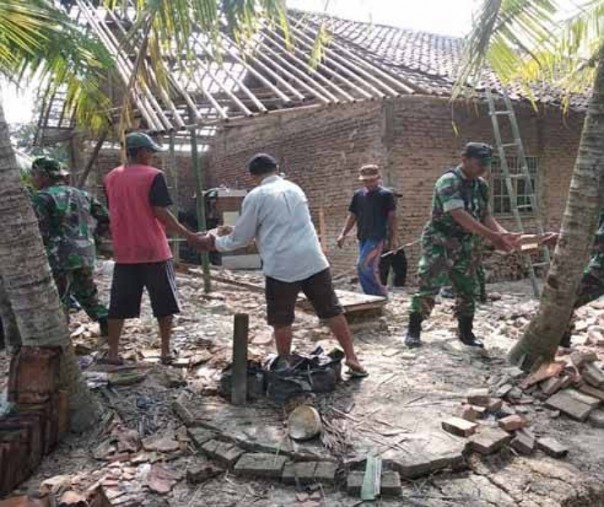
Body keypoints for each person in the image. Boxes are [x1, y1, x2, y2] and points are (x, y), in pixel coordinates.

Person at [195, 153, 367, 377]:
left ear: (253, 176)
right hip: (313, 259)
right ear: (276, 168)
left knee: (281, 317)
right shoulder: (296, 189)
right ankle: (352, 357)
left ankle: (284, 362)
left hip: (282, 264)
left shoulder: (256, 196)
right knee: (332, 310)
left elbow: (242, 238)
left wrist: (215, 243)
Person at [405, 143, 520, 348]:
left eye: (486, 164)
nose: (483, 169)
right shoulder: (448, 181)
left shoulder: (481, 185)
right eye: (479, 163)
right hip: (440, 241)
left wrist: (503, 234)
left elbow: (485, 215)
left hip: (467, 243)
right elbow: (459, 215)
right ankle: (414, 330)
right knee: (429, 284)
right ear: (464, 159)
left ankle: (466, 332)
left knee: (467, 288)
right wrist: (494, 237)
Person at [103, 132, 203, 365]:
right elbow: (161, 211)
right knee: (164, 303)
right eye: (150, 152)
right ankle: (166, 351)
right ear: (140, 152)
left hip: (125, 252)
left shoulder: (110, 177)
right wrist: (188, 234)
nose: (153, 156)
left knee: (118, 305)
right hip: (153, 250)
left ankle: (113, 353)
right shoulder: (153, 176)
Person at [31, 157, 110, 335]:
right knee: (87, 293)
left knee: (59, 298)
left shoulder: (42, 198)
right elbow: (106, 218)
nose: (34, 179)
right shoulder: (83, 195)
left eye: (35, 175)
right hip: (85, 252)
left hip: (58, 256)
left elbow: (40, 231)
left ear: (43, 176)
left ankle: (60, 340)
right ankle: (107, 324)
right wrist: (95, 238)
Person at [542, 209, 604, 348]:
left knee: (568, 296)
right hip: (599, 265)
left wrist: (564, 238)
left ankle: (561, 343)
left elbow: (600, 239)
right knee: (567, 297)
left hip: (600, 269)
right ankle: (561, 344)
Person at [337, 165, 398, 297]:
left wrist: (393, 239)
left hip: (377, 237)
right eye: (365, 181)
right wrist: (343, 233)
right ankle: (371, 295)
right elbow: (352, 215)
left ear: (378, 178)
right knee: (365, 268)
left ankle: (378, 295)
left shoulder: (385, 195)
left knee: (364, 265)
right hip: (363, 236)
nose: (369, 183)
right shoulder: (358, 195)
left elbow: (392, 218)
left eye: (371, 180)